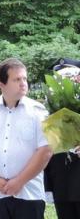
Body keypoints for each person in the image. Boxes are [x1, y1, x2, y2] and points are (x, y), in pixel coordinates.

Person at [0, 57, 52, 219]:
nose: (23, 83)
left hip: (28, 193)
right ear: (1, 84)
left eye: (24, 78)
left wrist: (19, 181)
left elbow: (45, 150)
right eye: (17, 79)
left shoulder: (38, 111)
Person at [43, 58, 80, 219]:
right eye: (60, 78)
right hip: (61, 183)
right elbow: (46, 151)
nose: (64, 82)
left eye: (70, 77)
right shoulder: (49, 109)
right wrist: (48, 185)